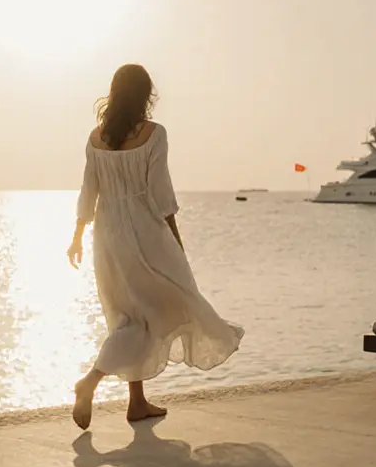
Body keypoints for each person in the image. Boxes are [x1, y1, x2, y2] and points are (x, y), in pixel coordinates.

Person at [67, 64, 244, 429]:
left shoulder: (96, 139)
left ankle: (137, 402)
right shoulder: (154, 134)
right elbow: (161, 194)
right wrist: (175, 240)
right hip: (145, 231)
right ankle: (91, 380)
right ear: (145, 95)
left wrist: (77, 235)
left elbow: (89, 191)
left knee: (129, 316)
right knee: (178, 297)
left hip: (108, 234)